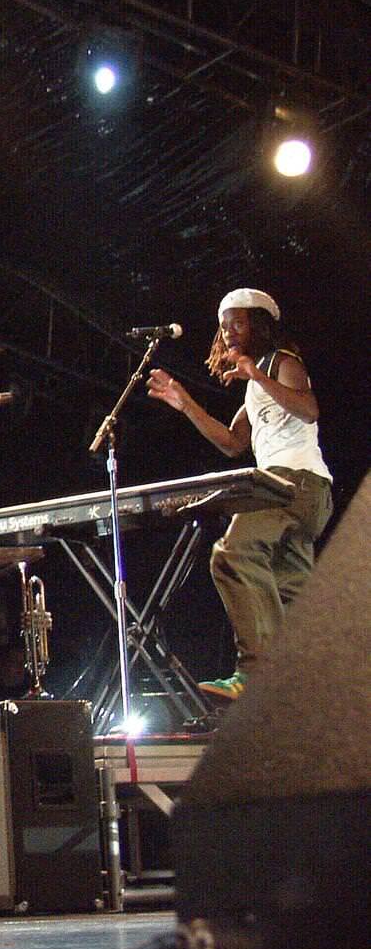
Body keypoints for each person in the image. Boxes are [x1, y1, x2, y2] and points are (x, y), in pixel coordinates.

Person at [146, 289, 333, 700]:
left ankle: (256, 673)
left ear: (260, 325)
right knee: (289, 590)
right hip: (303, 493)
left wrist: (258, 374)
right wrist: (185, 404)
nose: (229, 332)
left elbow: (309, 410)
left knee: (232, 555)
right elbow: (233, 442)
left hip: (293, 482)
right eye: (224, 325)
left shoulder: (283, 363)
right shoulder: (254, 384)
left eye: (238, 323)